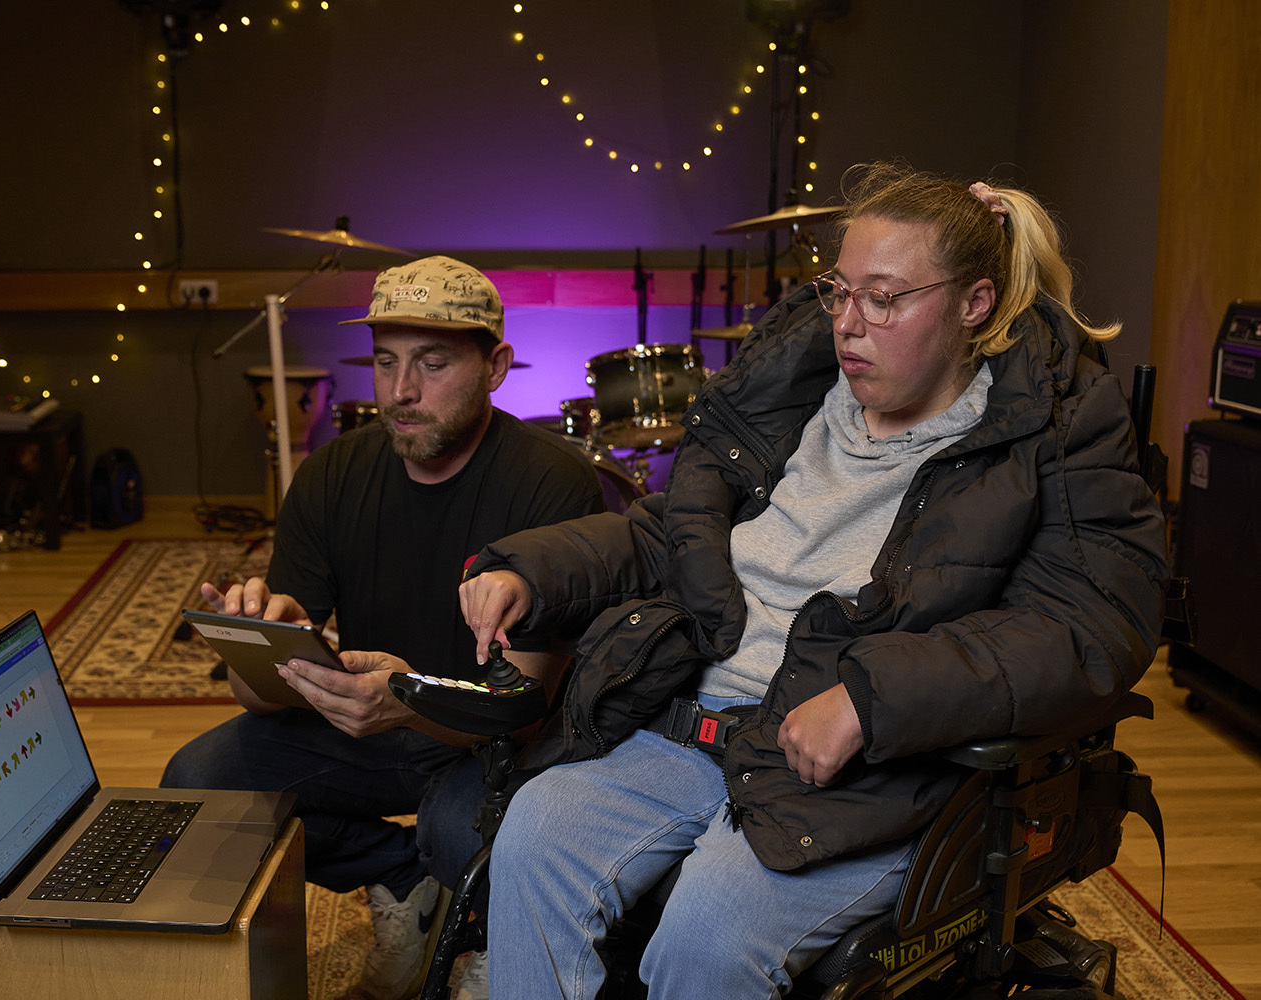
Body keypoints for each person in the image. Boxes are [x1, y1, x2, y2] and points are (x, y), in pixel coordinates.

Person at [457, 163, 1170, 998]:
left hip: (856, 774)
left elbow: (1090, 626)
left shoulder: (1044, 431)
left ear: (973, 303)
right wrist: (526, 570)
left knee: (706, 934)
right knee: (536, 833)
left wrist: (874, 700)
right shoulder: (795, 406)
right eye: (839, 293)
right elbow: (670, 533)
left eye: (885, 298)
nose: (848, 324)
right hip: (697, 725)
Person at [161, 255, 604, 1000]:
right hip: (372, 725)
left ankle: (496, 944)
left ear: (494, 366)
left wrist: (412, 700)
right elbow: (253, 698)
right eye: (386, 361)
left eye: (433, 364)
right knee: (200, 783)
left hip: (494, 741)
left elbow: (528, 707)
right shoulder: (331, 475)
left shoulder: (551, 482)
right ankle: (400, 878)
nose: (401, 391)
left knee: (464, 834)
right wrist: (264, 644)